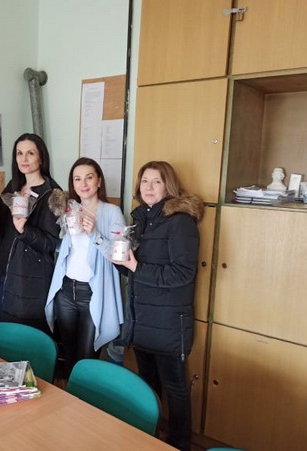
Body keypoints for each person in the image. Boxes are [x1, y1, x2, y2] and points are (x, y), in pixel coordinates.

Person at [113, 161, 203, 451]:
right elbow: (137, 269)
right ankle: (148, 439)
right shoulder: (142, 219)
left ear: (169, 186)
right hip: (142, 318)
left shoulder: (180, 222)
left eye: (156, 181)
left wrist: (135, 267)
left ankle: (179, 444)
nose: (149, 187)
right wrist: (121, 263)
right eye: (144, 181)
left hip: (168, 322)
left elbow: (183, 273)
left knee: (175, 388)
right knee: (147, 384)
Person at [45, 157, 125, 378]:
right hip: (66, 290)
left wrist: (95, 235)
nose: (83, 183)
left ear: (98, 181)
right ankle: (69, 398)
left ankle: (84, 398)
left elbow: (119, 256)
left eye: (89, 177)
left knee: (87, 359)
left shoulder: (112, 212)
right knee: (68, 356)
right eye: (77, 179)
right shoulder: (70, 209)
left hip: (93, 293)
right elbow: (62, 248)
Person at [0, 133, 62, 335]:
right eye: (19, 153)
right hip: (1, 272)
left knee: (18, 338)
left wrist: (25, 231)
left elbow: (52, 243)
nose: (24, 159)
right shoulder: (13, 187)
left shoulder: (53, 194)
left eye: (30, 153)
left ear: (41, 158)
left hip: (27, 280)